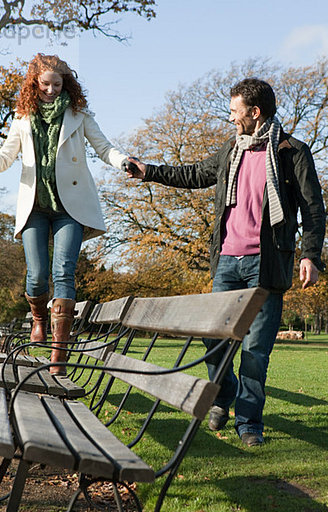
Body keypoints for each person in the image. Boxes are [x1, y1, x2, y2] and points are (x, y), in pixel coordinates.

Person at [125, 77, 326, 446]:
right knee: (215, 344)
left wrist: (311, 255)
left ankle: (249, 423)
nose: (231, 117)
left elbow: (314, 210)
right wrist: (149, 171)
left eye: (235, 111)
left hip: (265, 266)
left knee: (255, 353)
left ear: (255, 112)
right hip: (227, 264)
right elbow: (194, 174)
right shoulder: (230, 150)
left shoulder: (292, 152)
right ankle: (223, 394)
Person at [0, 53, 129, 375]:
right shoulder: (22, 118)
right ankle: (38, 319)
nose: (51, 90)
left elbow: (105, 148)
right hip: (34, 206)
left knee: (63, 272)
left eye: (57, 84)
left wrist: (124, 162)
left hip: (70, 207)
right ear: (35, 83)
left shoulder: (78, 115)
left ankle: (58, 355)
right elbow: (4, 160)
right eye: (45, 84)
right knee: (36, 276)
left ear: (66, 84)